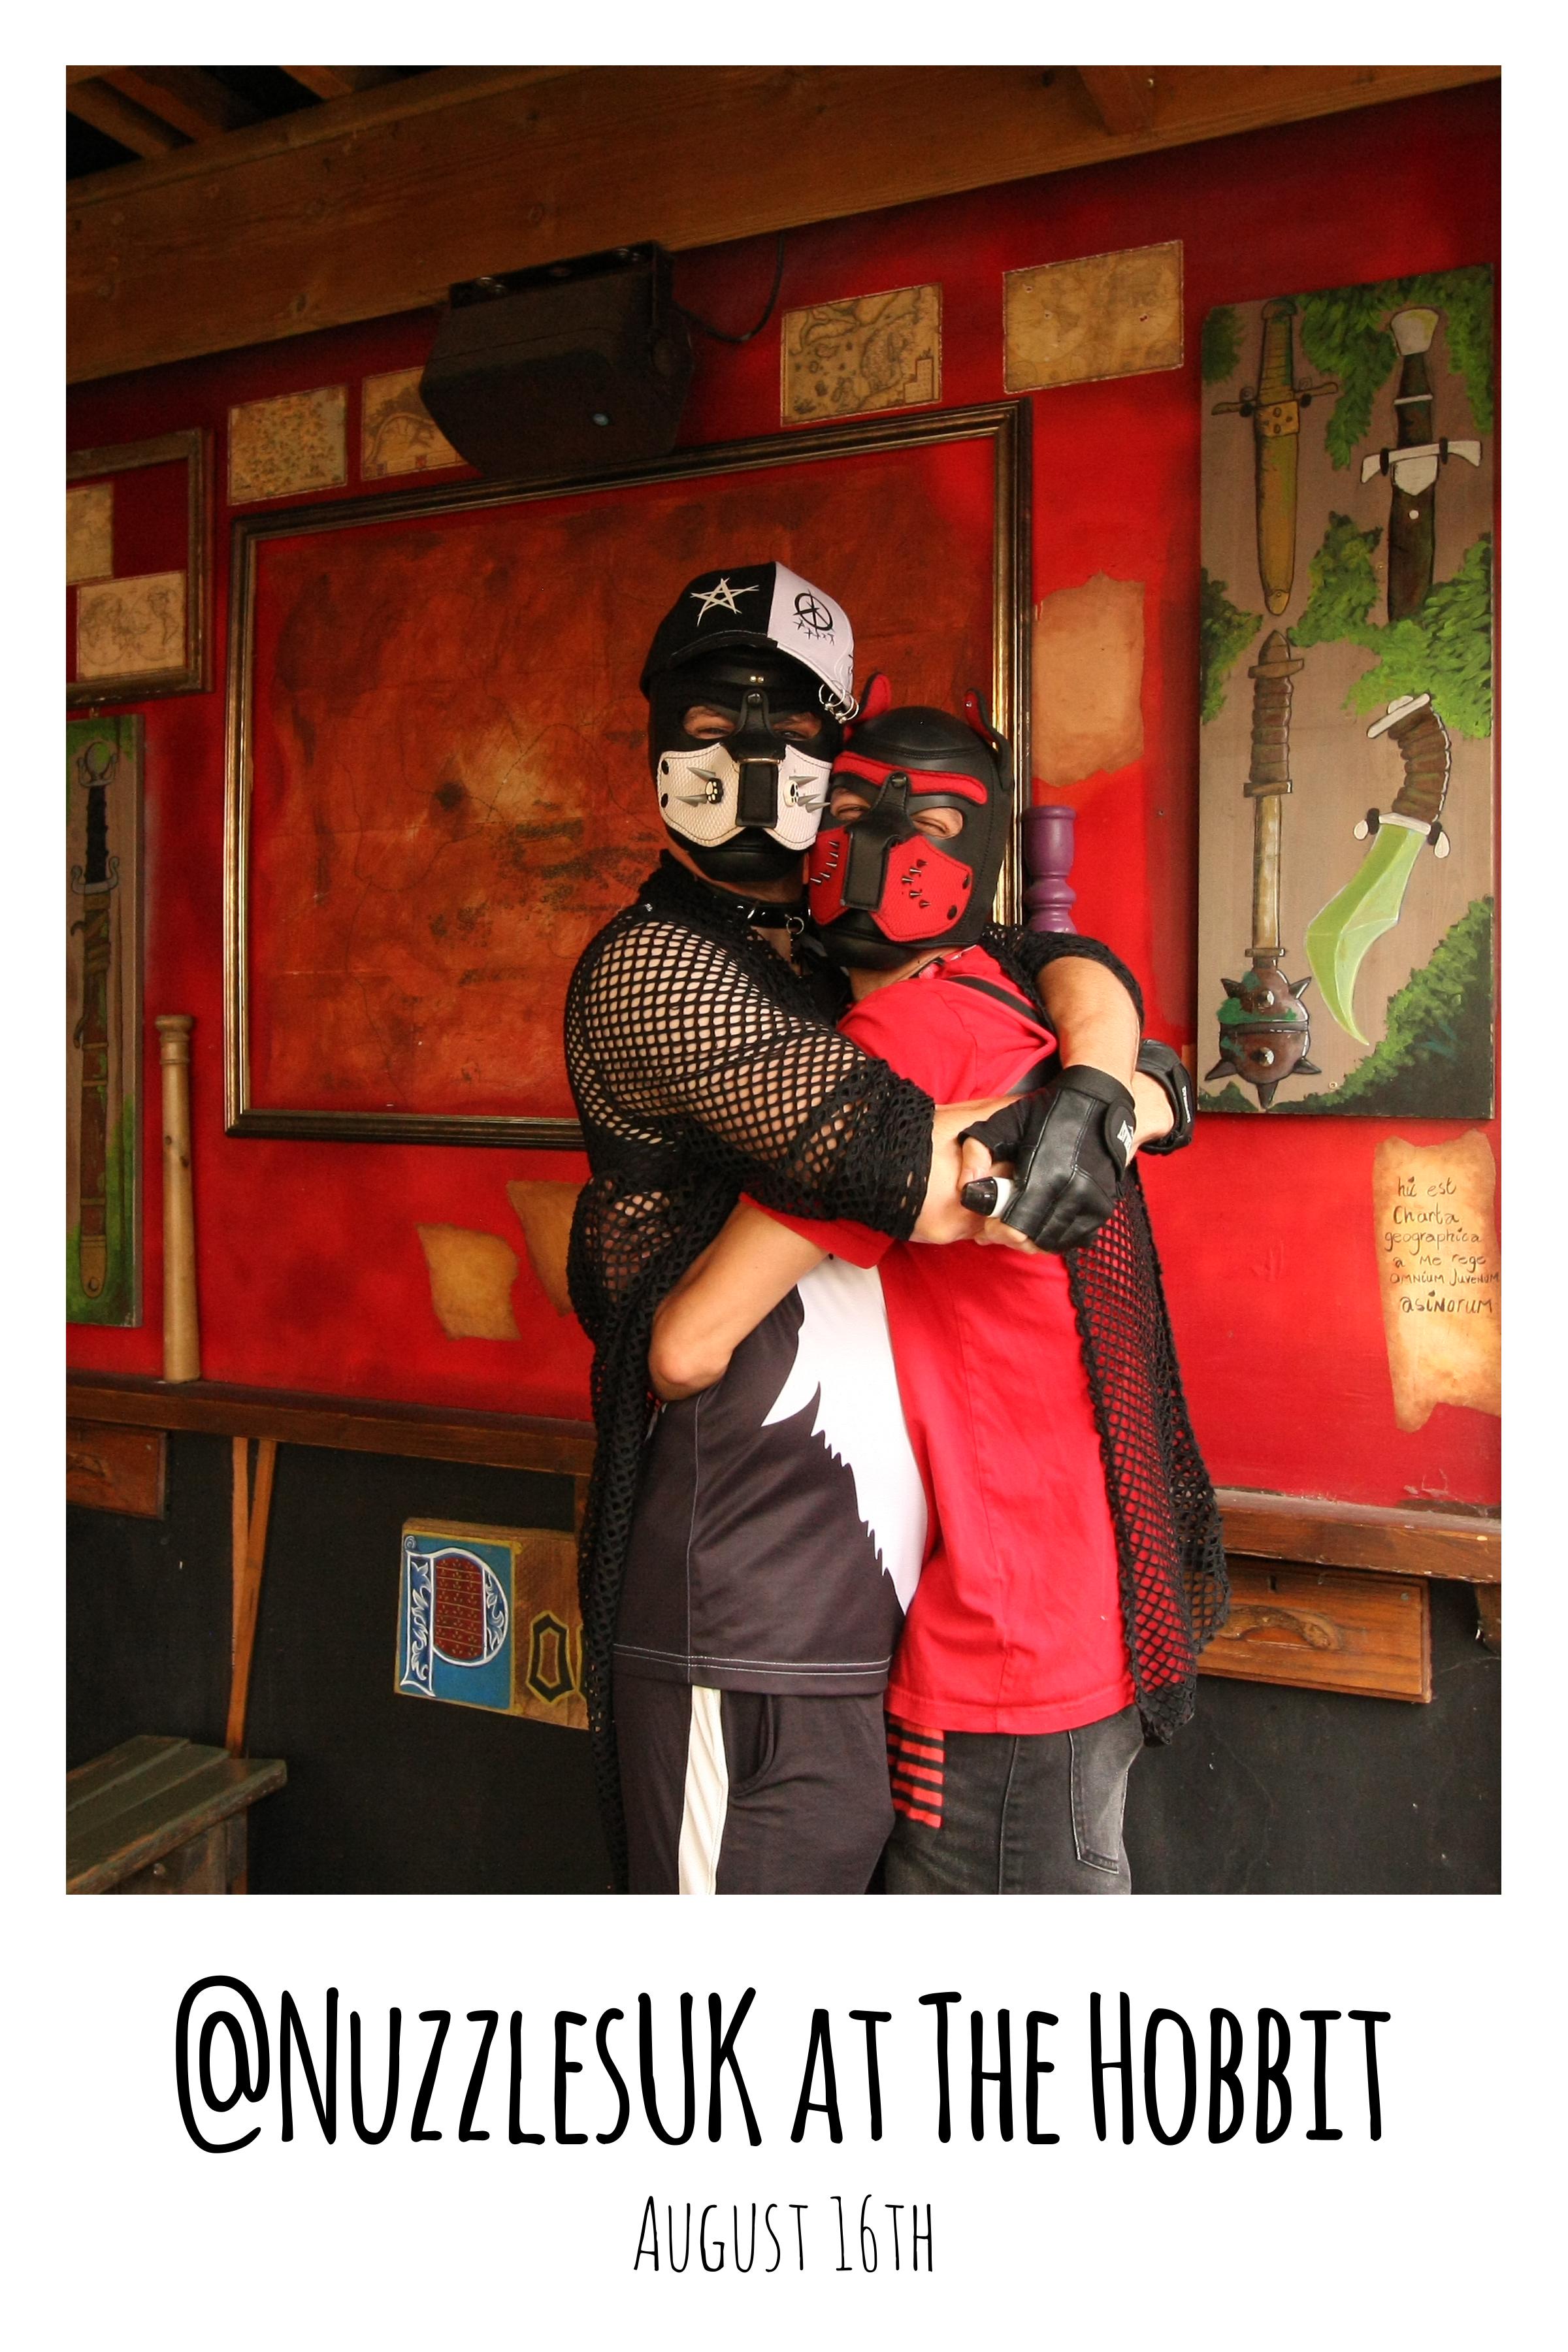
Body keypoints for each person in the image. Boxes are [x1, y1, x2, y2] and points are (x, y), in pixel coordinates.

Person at [564, 564, 1158, 1891]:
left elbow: (1048, 958)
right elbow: (901, 1164)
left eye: (792, 736)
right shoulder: (660, 964)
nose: (746, 760)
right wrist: (1109, 1104)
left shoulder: (829, 963)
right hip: (737, 1590)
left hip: (862, 1604)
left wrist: (1108, 1082)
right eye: (709, 726)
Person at [648, 698, 1226, 1895]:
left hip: (1002, 1642)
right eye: (851, 805)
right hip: (1084, 1611)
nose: (871, 843)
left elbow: (689, 1344)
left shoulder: (905, 1039)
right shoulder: (1018, 1007)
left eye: (923, 823)